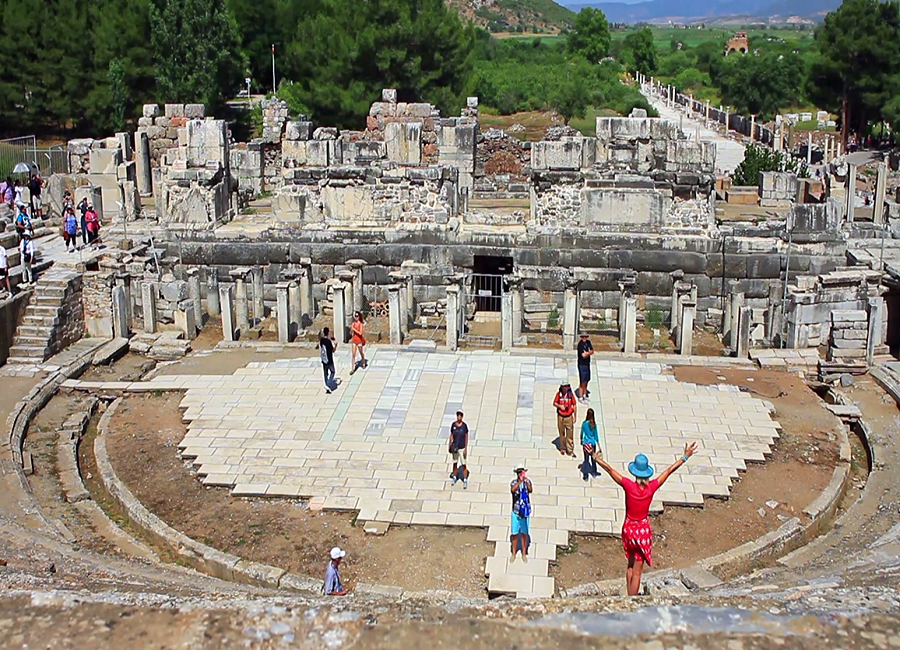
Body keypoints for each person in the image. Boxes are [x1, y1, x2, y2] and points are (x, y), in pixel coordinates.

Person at [591, 441, 698, 596]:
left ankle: (628, 593)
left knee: (630, 564)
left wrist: (595, 457)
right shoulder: (652, 487)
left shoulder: (628, 485)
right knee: (638, 572)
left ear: (634, 472)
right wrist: (685, 457)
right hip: (642, 530)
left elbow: (610, 470)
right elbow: (668, 471)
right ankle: (632, 600)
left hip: (628, 528)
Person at [510, 467, 532, 563]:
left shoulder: (528, 482)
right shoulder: (514, 482)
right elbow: (513, 490)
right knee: (514, 534)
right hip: (516, 511)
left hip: (525, 513)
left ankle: (524, 553)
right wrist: (520, 482)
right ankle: (514, 553)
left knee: (524, 534)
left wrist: (526, 482)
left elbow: (531, 490)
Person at [553, 381, 577, 457]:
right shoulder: (559, 394)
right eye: (564, 386)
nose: (565, 388)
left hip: (569, 416)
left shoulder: (570, 395)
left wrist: (575, 416)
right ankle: (563, 448)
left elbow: (574, 404)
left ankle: (570, 450)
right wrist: (560, 406)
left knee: (570, 434)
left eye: (567, 386)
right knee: (562, 433)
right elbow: (554, 403)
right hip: (561, 417)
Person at [449, 410, 469, 489]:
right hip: (455, 447)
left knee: (463, 464)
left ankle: (465, 479)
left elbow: (466, 436)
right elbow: (451, 435)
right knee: (455, 463)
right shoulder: (454, 425)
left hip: (462, 447)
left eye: (460, 415)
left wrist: (466, 448)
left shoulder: (464, 426)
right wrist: (450, 444)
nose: (459, 417)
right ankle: (454, 477)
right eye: (458, 415)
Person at [580, 408, 599, 482]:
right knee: (593, 459)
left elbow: (582, 433)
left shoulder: (584, 424)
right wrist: (598, 444)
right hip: (592, 444)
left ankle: (585, 476)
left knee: (586, 460)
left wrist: (581, 439)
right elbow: (596, 435)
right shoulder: (593, 424)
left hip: (586, 443)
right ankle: (594, 472)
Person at [319, 326, 338, 393]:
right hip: (329, 360)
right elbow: (332, 350)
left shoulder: (321, 341)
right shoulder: (328, 342)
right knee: (333, 371)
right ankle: (328, 384)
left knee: (325, 373)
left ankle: (326, 384)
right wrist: (335, 345)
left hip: (324, 360)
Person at [576, 331, 594, 403]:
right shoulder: (580, 345)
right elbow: (583, 355)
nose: (584, 338)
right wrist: (588, 353)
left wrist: (588, 353)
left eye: (585, 337)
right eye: (583, 337)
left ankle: (584, 394)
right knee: (582, 381)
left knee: (587, 380)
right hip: (582, 365)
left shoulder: (588, 342)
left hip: (587, 364)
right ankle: (580, 396)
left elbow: (592, 351)